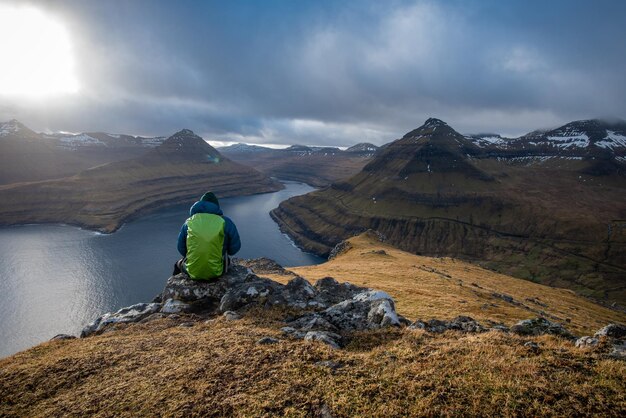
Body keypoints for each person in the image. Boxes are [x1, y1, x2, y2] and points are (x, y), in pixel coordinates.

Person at [174, 192, 241, 280]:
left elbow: (181, 248)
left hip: (192, 271)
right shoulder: (226, 222)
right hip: (217, 271)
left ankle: (175, 288)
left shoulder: (188, 222)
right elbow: (234, 249)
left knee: (177, 265)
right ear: (216, 207)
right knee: (226, 260)